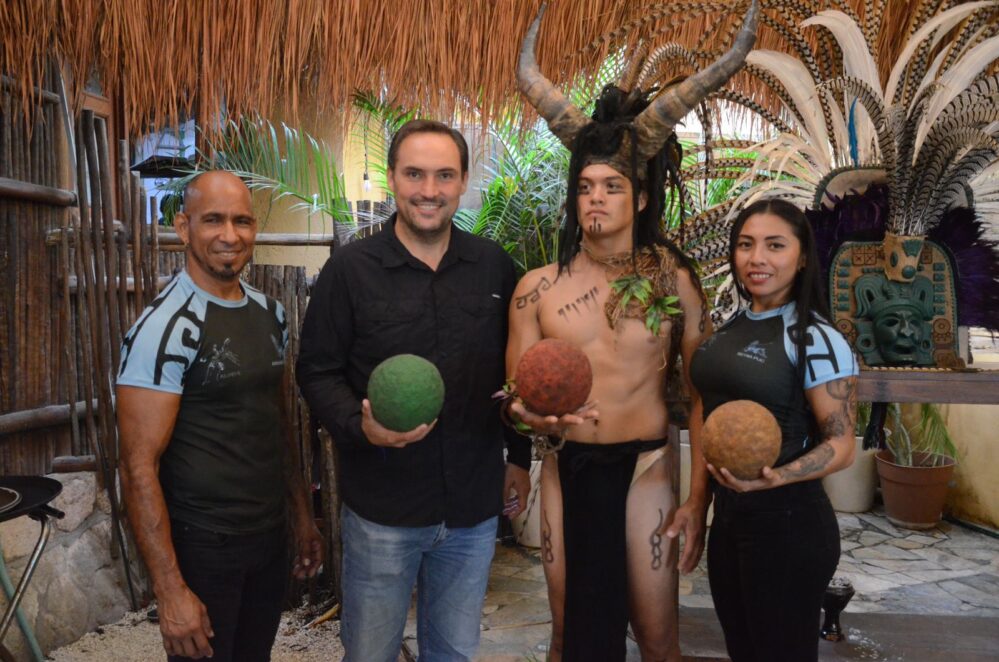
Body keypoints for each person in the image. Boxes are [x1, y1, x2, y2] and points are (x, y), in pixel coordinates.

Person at [506, 5, 757, 661]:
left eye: (611, 187)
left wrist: (697, 498)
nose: (595, 199)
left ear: (640, 197)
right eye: (584, 186)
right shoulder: (536, 287)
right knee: (568, 637)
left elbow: (701, 394)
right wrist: (527, 412)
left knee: (656, 639)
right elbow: (511, 394)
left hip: (647, 465)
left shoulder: (671, 280)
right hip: (565, 466)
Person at [296, 119, 532, 662]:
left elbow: (513, 376)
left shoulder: (494, 266)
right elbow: (317, 370)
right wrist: (362, 428)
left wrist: (517, 457)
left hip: (472, 510)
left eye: (444, 175)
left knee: (453, 653)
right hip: (383, 510)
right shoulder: (349, 271)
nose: (430, 190)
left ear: (464, 180)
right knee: (370, 654)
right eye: (416, 174)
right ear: (392, 179)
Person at [116, 170, 323, 662]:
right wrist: (170, 591)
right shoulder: (163, 329)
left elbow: (273, 421)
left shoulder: (269, 314)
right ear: (184, 228)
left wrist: (300, 517)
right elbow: (137, 465)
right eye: (213, 220)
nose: (230, 235)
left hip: (267, 538)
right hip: (203, 546)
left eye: (242, 221)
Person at [690, 198, 859, 662]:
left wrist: (778, 477)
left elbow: (842, 446)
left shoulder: (816, 337)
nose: (756, 258)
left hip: (788, 524)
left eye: (774, 245)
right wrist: (696, 503)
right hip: (729, 520)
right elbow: (704, 410)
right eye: (745, 245)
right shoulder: (732, 327)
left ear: (802, 256)